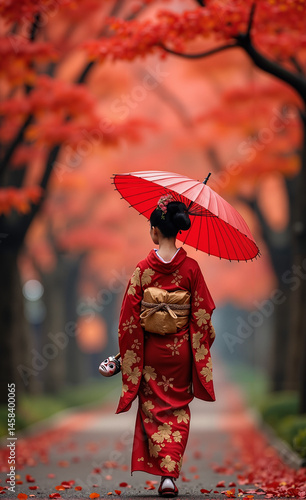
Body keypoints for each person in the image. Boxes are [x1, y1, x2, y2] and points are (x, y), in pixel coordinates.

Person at [116, 195, 216, 497]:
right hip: (181, 353)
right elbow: (201, 313)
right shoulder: (192, 269)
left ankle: (164, 473)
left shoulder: (143, 269)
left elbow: (128, 318)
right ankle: (169, 477)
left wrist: (127, 354)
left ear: (155, 231)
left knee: (153, 411)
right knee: (178, 410)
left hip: (151, 354)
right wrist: (204, 341)